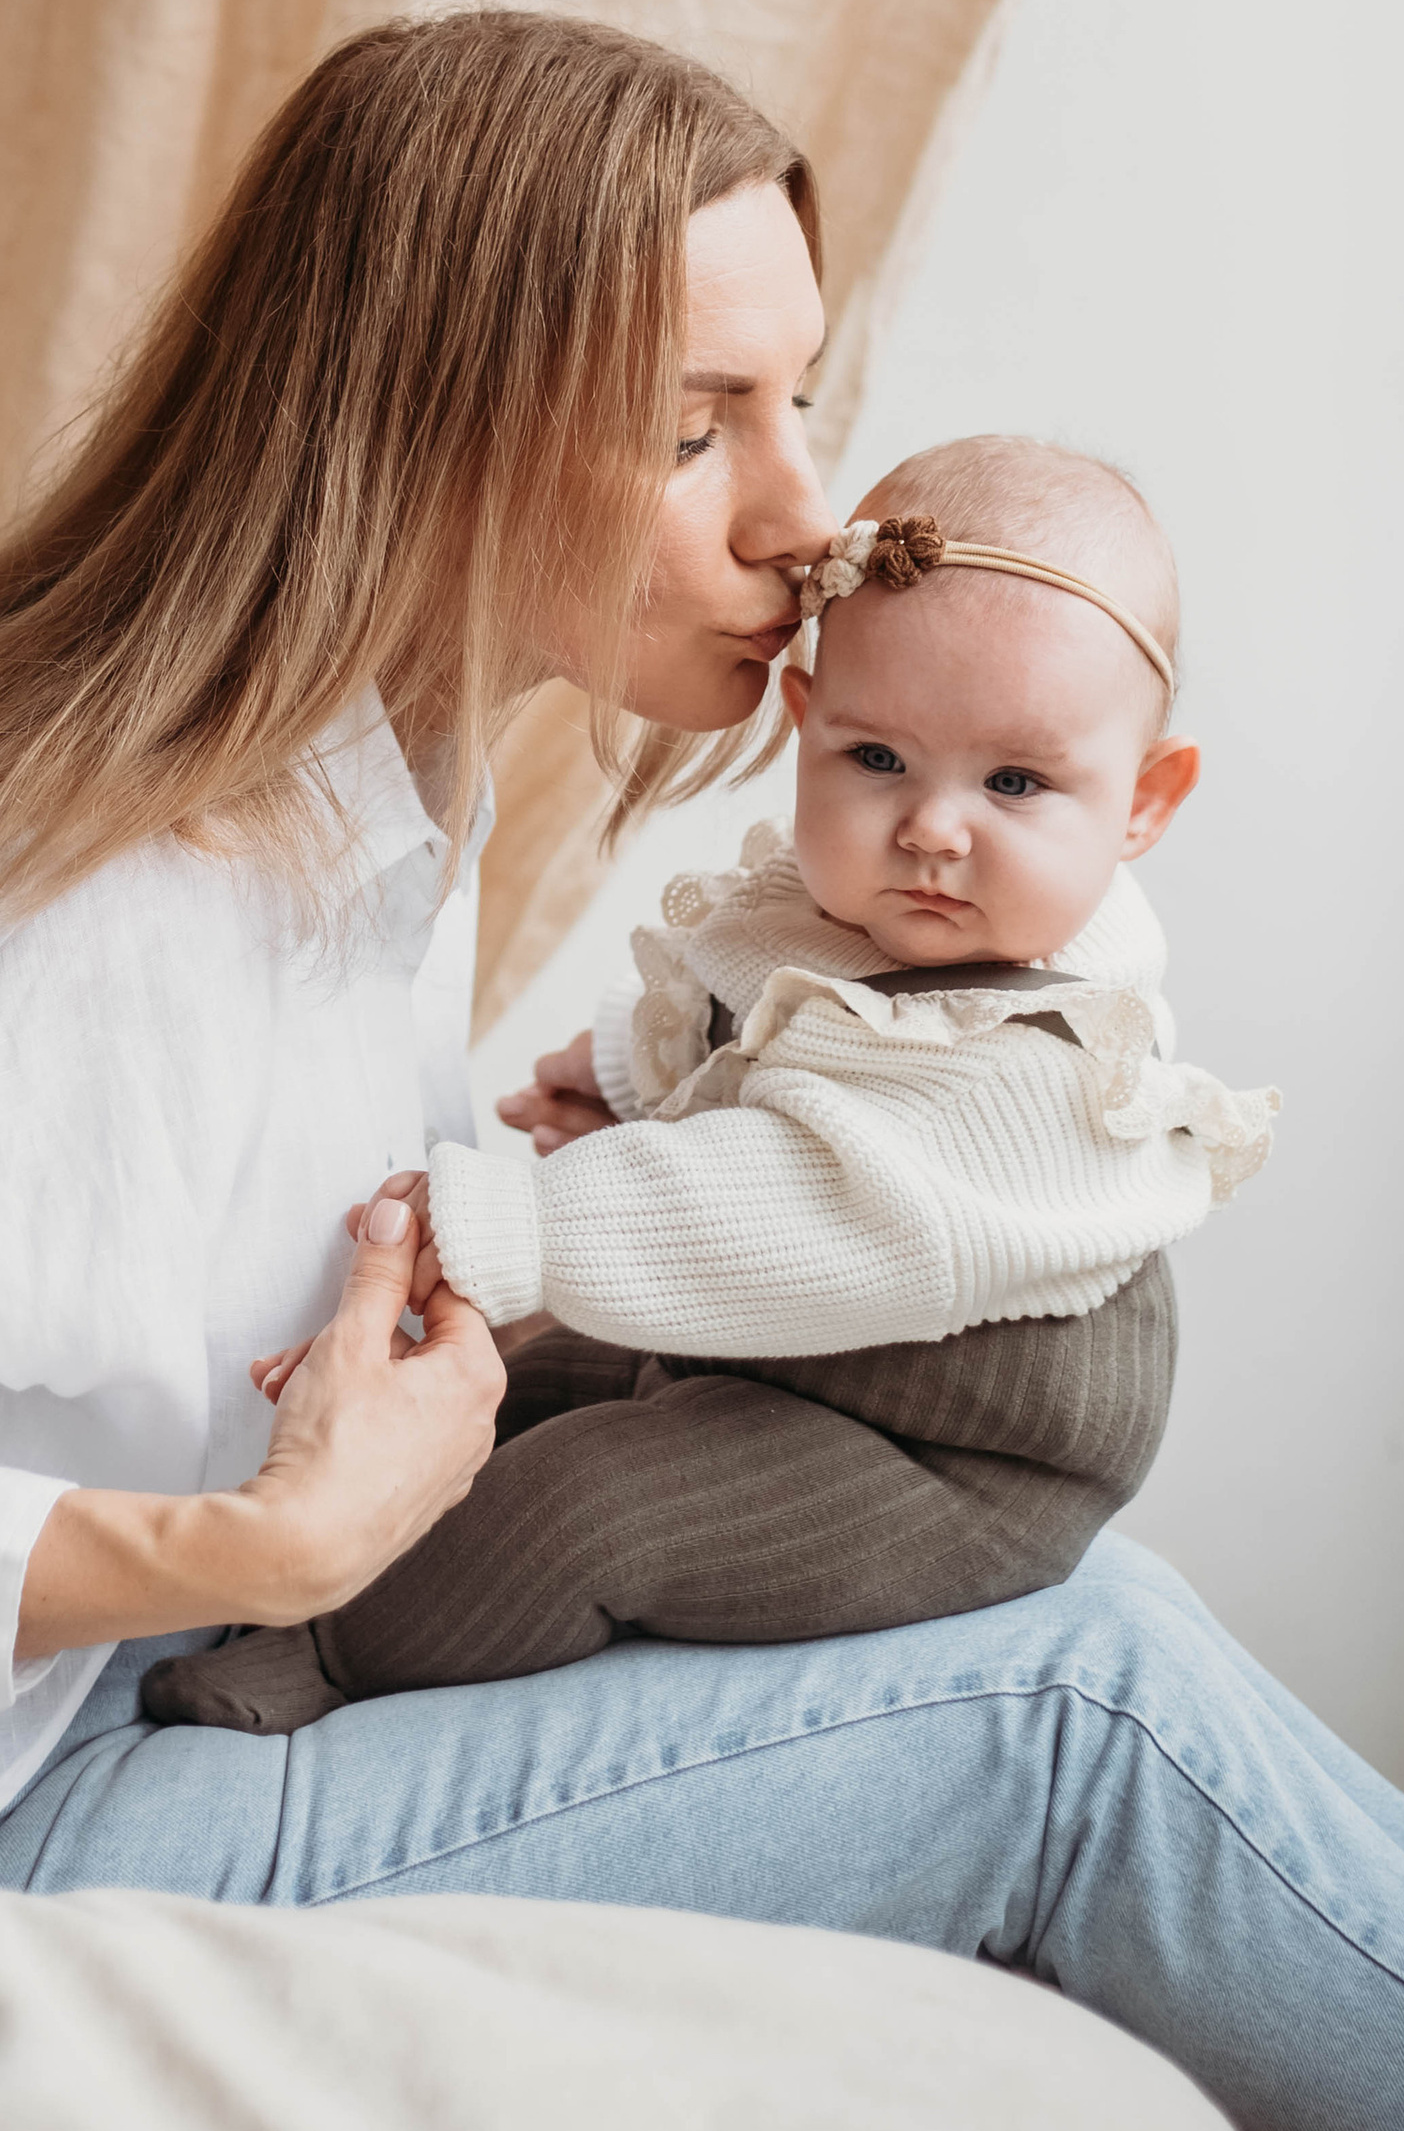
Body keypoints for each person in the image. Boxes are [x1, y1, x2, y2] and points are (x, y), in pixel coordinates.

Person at [0, 10, 1404, 2131]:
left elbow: (132, 1277)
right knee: (1078, 1711)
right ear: (421, 423)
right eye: (688, 424)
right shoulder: (95, 913)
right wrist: (254, 1540)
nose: (801, 512)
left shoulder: (341, 798)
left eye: (793, 400)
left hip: (108, 1702)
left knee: (1054, 1613)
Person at [142, 437, 1282, 1734]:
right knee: (515, 1382)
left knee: (585, 1506)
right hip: (796, 1353)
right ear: (805, 727)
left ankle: (342, 1662)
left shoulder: (1046, 1074)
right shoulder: (869, 918)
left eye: (1016, 782)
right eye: (876, 760)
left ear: (1145, 801)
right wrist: (634, 1069)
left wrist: (507, 1228)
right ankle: (326, 1566)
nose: (932, 828)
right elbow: (767, 1023)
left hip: (945, 1457)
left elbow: (787, 1196)